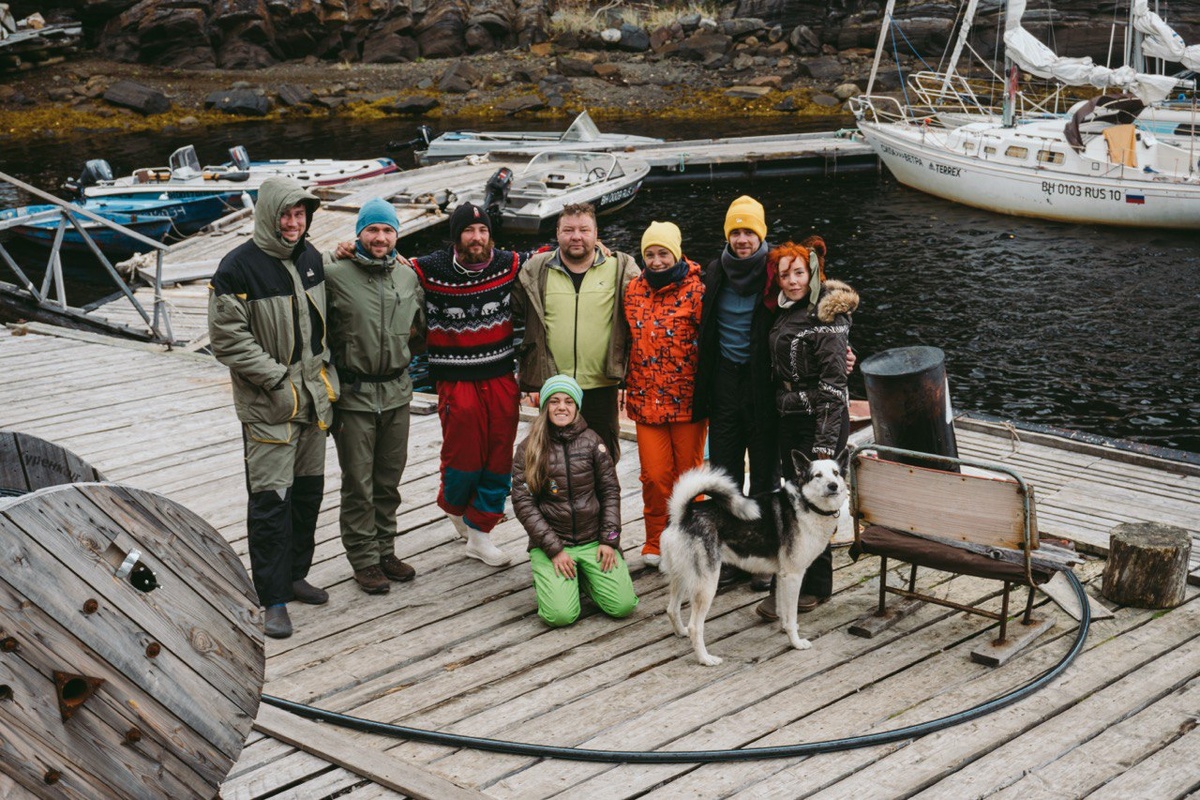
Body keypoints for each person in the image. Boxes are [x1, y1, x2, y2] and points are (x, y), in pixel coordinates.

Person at [208, 176, 338, 640]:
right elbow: (227, 339)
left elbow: (323, 327)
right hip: (270, 406)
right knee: (270, 503)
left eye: (300, 215)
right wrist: (279, 380)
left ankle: (295, 575)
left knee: (307, 496)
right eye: (285, 214)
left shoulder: (311, 258)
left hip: (314, 403)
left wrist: (325, 381)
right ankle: (272, 598)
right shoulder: (237, 268)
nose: (293, 222)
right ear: (268, 215)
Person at [408, 203, 524, 567]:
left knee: (500, 456)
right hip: (456, 379)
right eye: (469, 231)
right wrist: (345, 249)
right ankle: (456, 507)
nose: (477, 238)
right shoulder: (429, 269)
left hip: (501, 375)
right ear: (456, 236)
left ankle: (480, 533)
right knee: (463, 457)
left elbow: (555, 255)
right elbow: (384, 261)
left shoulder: (509, 264)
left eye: (483, 231)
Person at [325, 198, 425, 595]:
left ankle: (385, 549)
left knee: (388, 479)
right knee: (358, 483)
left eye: (387, 230)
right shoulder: (334, 273)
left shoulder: (407, 277)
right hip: (353, 394)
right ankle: (363, 559)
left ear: (396, 234)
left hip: (398, 392)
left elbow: (418, 330)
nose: (380, 237)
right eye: (372, 230)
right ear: (359, 234)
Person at [756, 236, 858, 619]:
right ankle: (792, 574)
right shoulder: (785, 311)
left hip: (819, 418)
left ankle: (815, 585)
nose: (792, 281)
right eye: (785, 274)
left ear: (812, 273)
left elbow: (834, 386)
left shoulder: (825, 316)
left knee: (818, 501)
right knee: (796, 501)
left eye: (799, 273)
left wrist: (824, 447)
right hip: (789, 414)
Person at [692, 195, 781, 590]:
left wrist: (842, 349)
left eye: (749, 231)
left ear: (761, 234)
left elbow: (813, 305)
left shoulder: (777, 270)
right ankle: (728, 553)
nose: (742, 239)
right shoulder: (716, 270)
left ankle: (763, 554)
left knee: (765, 470)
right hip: (725, 380)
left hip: (763, 382)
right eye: (736, 232)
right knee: (724, 471)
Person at [513, 202, 640, 463]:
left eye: (584, 230)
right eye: (568, 230)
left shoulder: (620, 268)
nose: (576, 237)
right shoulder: (537, 268)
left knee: (603, 460)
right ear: (557, 233)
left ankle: (602, 506)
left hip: (602, 384)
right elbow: (507, 285)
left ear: (596, 234)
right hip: (554, 385)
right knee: (552, 462)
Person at [511, 374, 638, 627]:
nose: (561, 407)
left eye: (569, 402)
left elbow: (610, 492)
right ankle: (550, 576)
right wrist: (554, 550)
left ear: (577, 407)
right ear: (544, 406)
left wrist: (609, 540)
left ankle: (585, 578)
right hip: (553, 544)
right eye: (554, 401)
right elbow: (523, 504)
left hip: (593, 540)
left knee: (623, 606)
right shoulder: (528, 449)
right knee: (560, 616)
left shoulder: (593, 443)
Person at [622, 221, 707, 568]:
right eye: (650, 254)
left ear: (676, 253)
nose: (656, 261)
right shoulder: (632, 291)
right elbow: (623, 340)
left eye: (663, 253)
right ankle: (656, 540)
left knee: (688, 477)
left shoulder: (697, 290)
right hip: (645, 400)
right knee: (655, 477)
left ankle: (691, 539)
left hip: (688, 400)